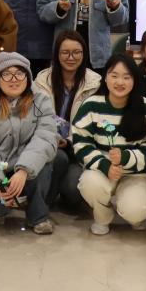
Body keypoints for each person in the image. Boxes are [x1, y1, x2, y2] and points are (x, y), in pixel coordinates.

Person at [0, 52, 59, 234]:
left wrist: (24, 169)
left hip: (28, 168)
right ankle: (0, 202)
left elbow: (45, 137)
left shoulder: (41, 101)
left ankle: (38, 216)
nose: (14, 79)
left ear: (28, 77)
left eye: (19, 73)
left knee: (50, 163)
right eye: (6, 74)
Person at [74, 54, 146, 235]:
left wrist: (126, 158)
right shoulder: (91, 105)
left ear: (134, 80)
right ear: (105, 77)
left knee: (135, 212)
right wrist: (105, 165)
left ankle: (131, 209)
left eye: (126, 77)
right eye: (114, 75)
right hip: (103, 170)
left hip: (137, 174)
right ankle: (103, 217)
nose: (120, 82)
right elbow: (81, 142)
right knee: (88, 183)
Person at [34, 30, 101, 209]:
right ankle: (43, 201)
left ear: (84, 54)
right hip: (48, 144)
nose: (71, 57)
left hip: (79, 149)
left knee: (73, 193)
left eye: (76, 52)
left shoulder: (95, 83)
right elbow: (34, 117)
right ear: (57, 54)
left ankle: (60, 186)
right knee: (58, 158)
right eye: (65, 52)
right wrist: (53, 138)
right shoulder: (42, 80)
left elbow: (96, 124)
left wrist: (69, 140)